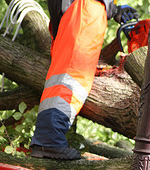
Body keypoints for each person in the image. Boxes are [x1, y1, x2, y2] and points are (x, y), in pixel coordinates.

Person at [31, 0, 138, 160]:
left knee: (63, 76)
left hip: (77, 10)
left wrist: (113, 9)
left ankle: (46, 139)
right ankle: (49, 138)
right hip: (86, 10)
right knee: (71, 77)